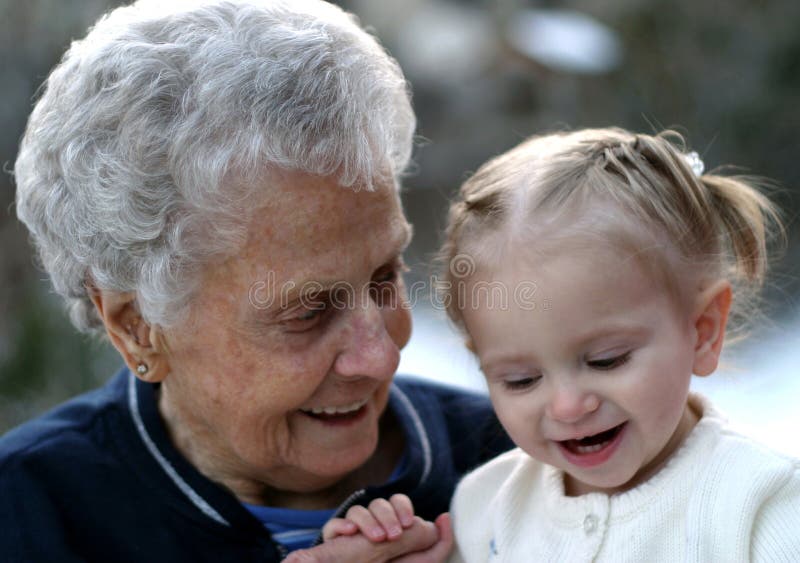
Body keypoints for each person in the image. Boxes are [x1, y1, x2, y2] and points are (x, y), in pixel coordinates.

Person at [3, 1, 512, 561]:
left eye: (385, 278)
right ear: (137, 328)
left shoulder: (536, 463)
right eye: (308, 310)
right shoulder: (27, 512)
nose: (381, 356)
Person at [435, 128, 800, 560]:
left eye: (607, 361)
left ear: (702, 331)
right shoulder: (485, 509)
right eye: (522, 380)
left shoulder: (763, 505)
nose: (567, 406)